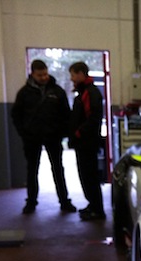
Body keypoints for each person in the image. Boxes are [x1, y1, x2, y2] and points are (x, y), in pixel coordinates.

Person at [11, 59, 76, 214]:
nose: (44, 77)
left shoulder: (57, 91)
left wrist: (62, 133)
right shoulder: (24, 93)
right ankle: (31, 202)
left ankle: (64, 201)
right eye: (40, 75)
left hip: (53, 136)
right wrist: (23, 133)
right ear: (33, 74)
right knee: (32, 170)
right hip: (31, 137)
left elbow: (66, 114)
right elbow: (16, 115)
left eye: (45, 74)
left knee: (58, 169)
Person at [69, 61, 105, 221]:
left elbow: (93, 118)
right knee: (85, 175)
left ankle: (97, 210)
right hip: (82, 142)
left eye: (73, 75)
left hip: (87, 143)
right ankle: (92, 204)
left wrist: (78, 132)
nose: (71, 78)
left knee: (90, 176)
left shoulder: (90, 93)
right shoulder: (83, 92)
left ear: (81, 73)